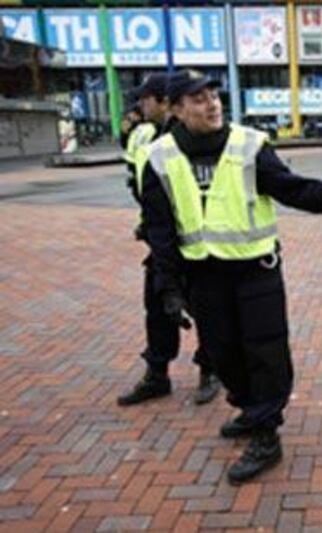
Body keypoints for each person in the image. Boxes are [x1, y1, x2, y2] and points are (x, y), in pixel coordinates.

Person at [140, 69, 322, 484]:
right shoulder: (160, 157)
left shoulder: (248, 146)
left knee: (265, 353)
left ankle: (266, 432)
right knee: (222, 354)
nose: (212, 104)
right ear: (178, 108)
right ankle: (251, 409)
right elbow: (159, 229)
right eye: (199, 99)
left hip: (256, 273)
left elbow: (294, 190)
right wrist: (167, 286)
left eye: (214, 96)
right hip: (204, 278)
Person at [118, 72, 221, 407]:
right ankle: (157, 373)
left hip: (201, 247)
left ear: (167, 104)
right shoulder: (153, 140)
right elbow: (148, 192)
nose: (141, 106)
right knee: (159, 305)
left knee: (205, 310)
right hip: (163, 243)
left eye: (146, 99)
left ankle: (210, 370)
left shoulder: (199, 138)